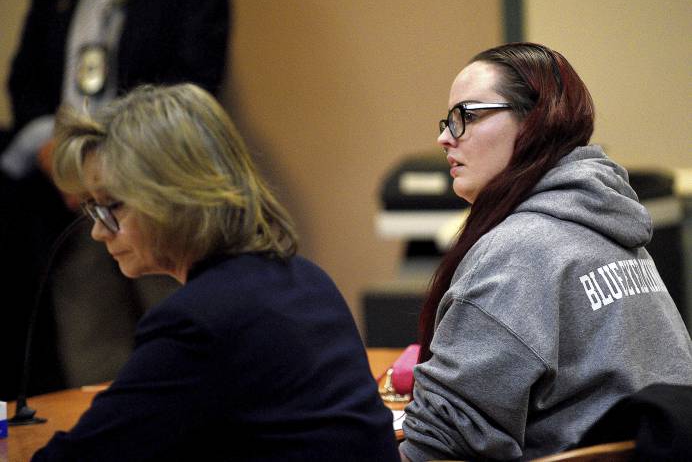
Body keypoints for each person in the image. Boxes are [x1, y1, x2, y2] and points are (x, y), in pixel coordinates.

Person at [32, 84, 399, 461]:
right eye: (92, 210)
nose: (98, 230)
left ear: (177, 196)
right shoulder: (306, 279)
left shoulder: (198, 323)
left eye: (110, 206)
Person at [399, 43, 692, 461]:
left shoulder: (515, 252)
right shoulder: (616, 231)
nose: (444, 137)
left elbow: (439, 448)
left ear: (535, 123)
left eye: (466, 116)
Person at [0, 0, 230, 399]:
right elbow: (25, 82)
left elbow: (194, 83)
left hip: (154, 191)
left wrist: (115, 161)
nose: (101, 226)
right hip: (59, 194)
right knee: (91, 346)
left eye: (106, 211)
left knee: (176, 340)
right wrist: (61, 156)